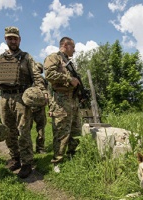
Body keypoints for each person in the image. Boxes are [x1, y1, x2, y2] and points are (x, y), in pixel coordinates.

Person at [0, 26, 47, 178]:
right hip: (4, 98)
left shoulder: (26, 57)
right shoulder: (0, 58)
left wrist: (43, 92)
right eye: (9, 38)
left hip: (21, 98)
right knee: (8, 131)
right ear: (6, 39)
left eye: (15, 38)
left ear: (19, 40)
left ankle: (27, 163)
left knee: (23, 131)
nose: (12, 40)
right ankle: (15, 158)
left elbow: (37, 77)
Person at [44, 36, 82, 173]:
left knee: (76, 130)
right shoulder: (54, 57)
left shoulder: (68, 62)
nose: (75, 50)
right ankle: (57, 161)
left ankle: (73, 156)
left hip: (72, 100)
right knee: (61, 131)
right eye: (73, 47)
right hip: (60, 100)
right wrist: (69, 78)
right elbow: (49, 74)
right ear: (65, 45)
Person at [30, 62, 47, 154]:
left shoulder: (27, 78)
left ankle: (28, 149)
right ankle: (40, 148)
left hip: (31, 107)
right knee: (40, 127)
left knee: (26, 128)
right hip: (38, 107)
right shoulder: (42, 79)